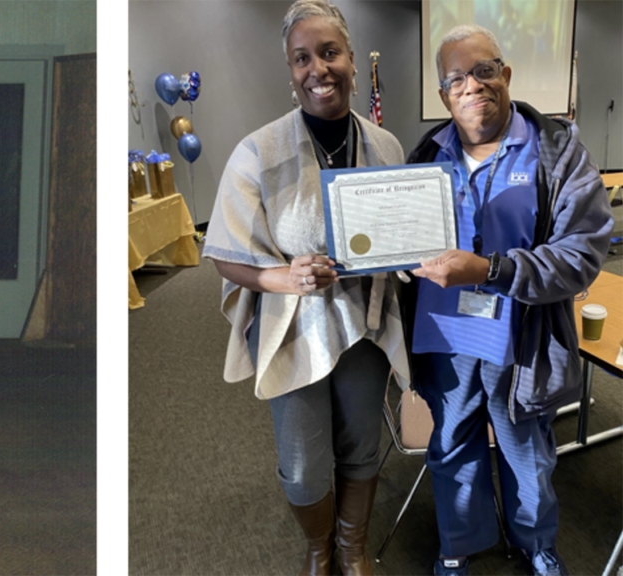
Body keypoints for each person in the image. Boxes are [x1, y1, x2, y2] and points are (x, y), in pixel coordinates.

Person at [202, 1, 410, 574]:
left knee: (362, 443)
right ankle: (319, 549)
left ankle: (351, 547)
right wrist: (280, 275)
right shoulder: (257, 152)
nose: (318, 68)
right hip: (293, 326)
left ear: (348, 57)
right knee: (301, 463)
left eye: (330, 53)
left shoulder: (385, 147)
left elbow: (399, 236)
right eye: (302, 58)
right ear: (289, 70)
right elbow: (224, 253)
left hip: (363, 322)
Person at [405, 24, 612, 576]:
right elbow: (399, 238)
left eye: (484, 70)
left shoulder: (557, 150)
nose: (471, 86)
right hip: (445, 338)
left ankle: (535, 543)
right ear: (444, 95)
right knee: (451, 445)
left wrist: (492, 269)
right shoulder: (426, 153)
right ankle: (459, 543)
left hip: (522, 340)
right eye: (456, 80)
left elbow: (583, 252)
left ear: (507, 75)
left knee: (526, 452)